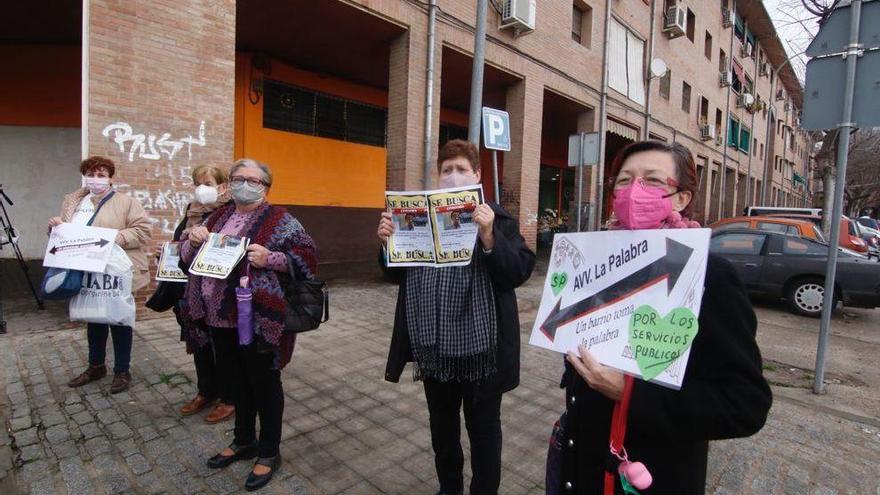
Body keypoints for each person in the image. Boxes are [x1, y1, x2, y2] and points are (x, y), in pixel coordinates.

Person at [553, 140, 772, 494]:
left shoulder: (709, 275)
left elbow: (744, 405)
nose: (634, 191)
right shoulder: (594, 262)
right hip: (584, 471)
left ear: (682, 198)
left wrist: (628, 393)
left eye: (652, 181)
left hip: (651, 478)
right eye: (624, 181)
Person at [380, 139, 536, 495]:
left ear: (477, 175)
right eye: (446, 170)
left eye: (461, 169)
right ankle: (449, 488)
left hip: (481, 352)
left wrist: (489, 235)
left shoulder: (497, 218)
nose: (453, 176)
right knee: (442, 426)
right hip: (432, 346)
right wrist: (387, 244)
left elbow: (518, 272)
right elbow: (395, 274)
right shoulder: (416, 215)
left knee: (483, 430)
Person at [180, 158, 316, 491]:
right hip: (216, 317)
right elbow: (185, 258)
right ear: (230, 184)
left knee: (264, 384)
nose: (245, 184)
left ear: (266, 187)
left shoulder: (280, 219)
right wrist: (192, 240)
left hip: (256, 319)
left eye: (254, 181)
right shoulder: (217, 217)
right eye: (239, 178)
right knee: (234, 382)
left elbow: (309, 257)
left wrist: (269, 258)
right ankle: (243, 440)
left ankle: (269, 451)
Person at [50, 156, 152, 394]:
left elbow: (143, 230)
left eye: (101, 174)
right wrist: (56, 227)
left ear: (110, 177)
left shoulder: (125, 202)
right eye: (91, 174)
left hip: (116, 268)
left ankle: (121, 370)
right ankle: (96, 366)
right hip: (86, 267)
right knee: (93, 318)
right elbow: (66, 234)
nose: (96, 179)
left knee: (119, 319)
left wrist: (116, 237)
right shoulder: (73, 202)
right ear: (83, 176)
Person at [171, 165, 237, 423]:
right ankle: (206, 391)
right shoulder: (192, 211)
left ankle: (229, 398)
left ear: (222, 186)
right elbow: (181, 242)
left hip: (218, 292)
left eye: (208, 182)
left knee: (223, 348)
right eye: (198, 183)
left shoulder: (229, 212)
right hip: (191, 290)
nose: (202, 188)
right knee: (199, 343)